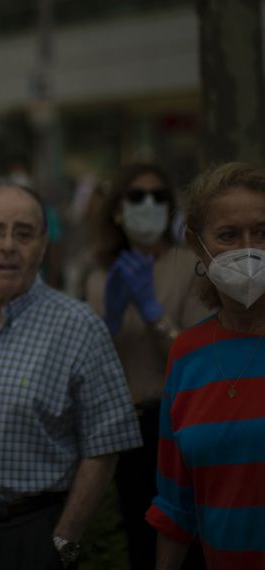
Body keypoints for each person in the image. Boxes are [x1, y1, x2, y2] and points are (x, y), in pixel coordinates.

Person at [0, 182, 142, 570]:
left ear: (44, 244)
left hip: (33, 534)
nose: (8, 246)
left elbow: (105, 445)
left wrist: (64, 540)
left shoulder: (78, 326)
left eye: (24, 233)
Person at [85, 163, 209, 570]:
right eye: (138, 197)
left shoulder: (189, 264)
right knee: (141, 540)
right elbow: (92, 363)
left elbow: (197, 357)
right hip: (131, 427)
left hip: (180, 419)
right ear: (118, 209)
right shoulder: (102, 275)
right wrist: (113, 319)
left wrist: (154, 313)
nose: (149, 205)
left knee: (188, 540)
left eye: (159, 197)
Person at [147, 162, 265, 569]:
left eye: (262, 232)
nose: (249, 249)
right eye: (229, 235)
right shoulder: (187, 354)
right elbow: (174, 503)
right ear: (197, 245)